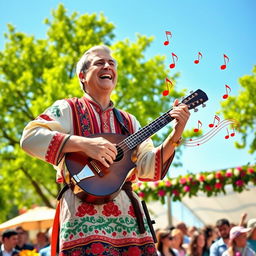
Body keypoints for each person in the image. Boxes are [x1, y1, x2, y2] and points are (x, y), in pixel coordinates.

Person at [20, 45, 190, 255]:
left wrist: (175, 135)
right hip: (81, 215)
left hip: (128, 218)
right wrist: (84, 144)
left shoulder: (130, 121)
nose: (107, 65)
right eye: (99, 63)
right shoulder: (67, 109)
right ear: (82, 76)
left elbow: (149, 168)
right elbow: (29, 138)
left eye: (112, 63)